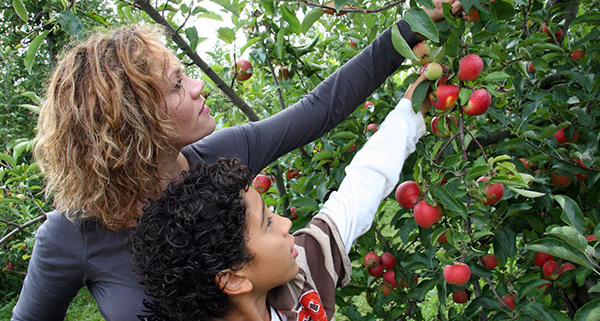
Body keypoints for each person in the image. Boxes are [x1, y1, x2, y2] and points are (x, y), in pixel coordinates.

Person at [12, 1, 459, 319]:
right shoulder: (72, 234)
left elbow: (321, 109)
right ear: (130, 123)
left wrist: (408, 30)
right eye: (175, 86)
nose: (196, 88)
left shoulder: (222, 159)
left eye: (185, 76)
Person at [130, 74, 429, 321]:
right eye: (268, 223)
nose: (287, 224)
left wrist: (411, 109)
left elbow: (362, 187)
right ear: (234, 278)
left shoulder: (300, 279)